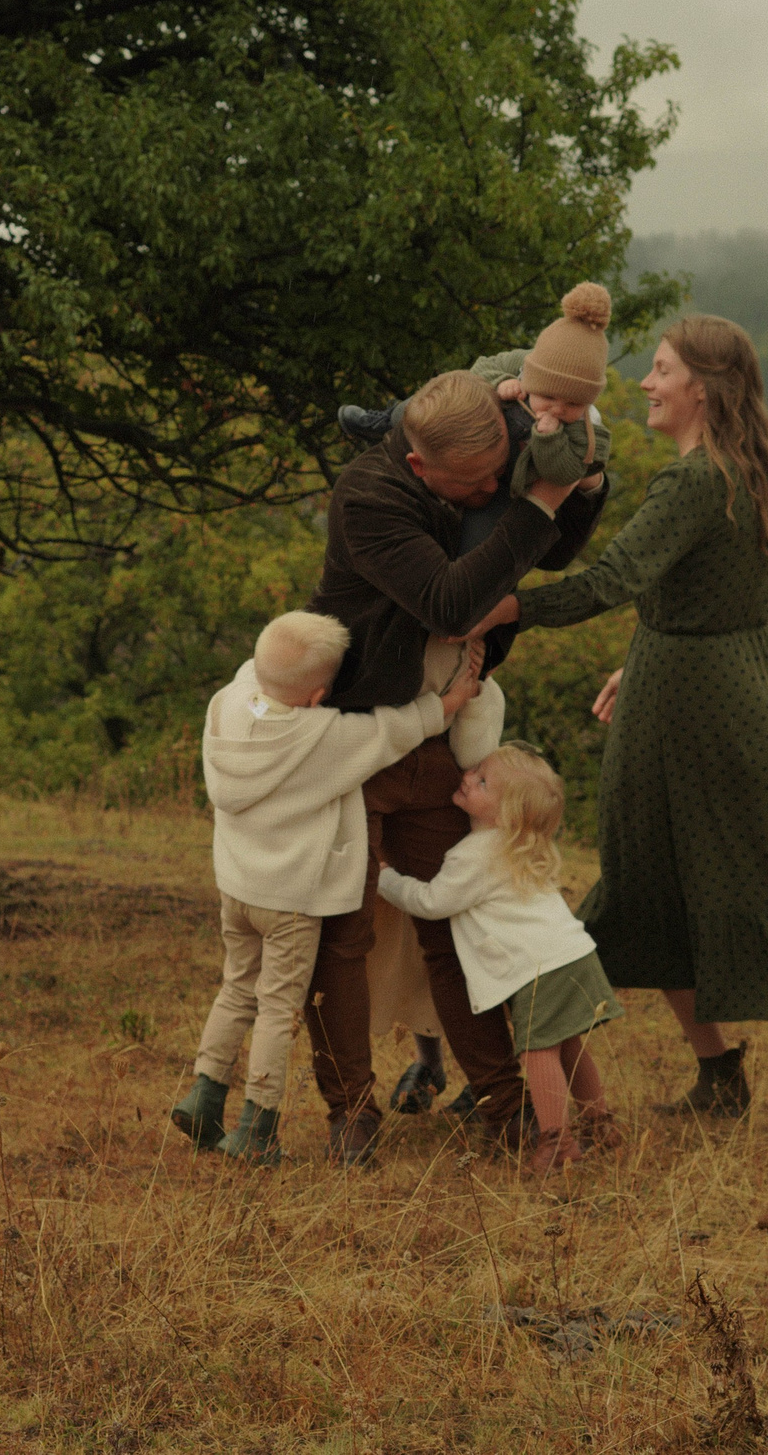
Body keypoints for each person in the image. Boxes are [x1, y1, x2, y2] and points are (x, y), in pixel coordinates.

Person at [460, 315, 768, 1138]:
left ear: (701, 390)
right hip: (737, 682)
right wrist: (643, 657)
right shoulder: (747, 470)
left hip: (684, 707)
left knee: (651, 877)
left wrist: (506, 605)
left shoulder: (689, 482)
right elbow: (708, 597)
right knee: (740, 872)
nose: (645, 382)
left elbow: (612, 578)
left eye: (662, 370)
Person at [305, 365, 608, 1164]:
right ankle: (350, 1113)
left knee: (450, 927)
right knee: (342, 933)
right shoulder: (368, 500)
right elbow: (450, 602)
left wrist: (578, 482)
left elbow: (545, 551)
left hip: (440, 740)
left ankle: (509, 1108)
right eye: (471, 486)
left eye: (493, 482)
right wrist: (535, 504)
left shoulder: (483, 450)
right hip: (359, 734)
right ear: (418, 466)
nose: (484, 497)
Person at [170, 612, 488, 1165]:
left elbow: (259, 671)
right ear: (320, 695)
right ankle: (257, 1127)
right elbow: (396, 729)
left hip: (238, 890)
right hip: (292, 902)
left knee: (237, 987)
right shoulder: (324, 736)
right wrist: (454, 698)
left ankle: (205, 1093)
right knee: (277, 1009)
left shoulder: (228, 703)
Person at [376, 745, 622, 1173]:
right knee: (568, 1046)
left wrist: (385, 878)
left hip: (540, 969)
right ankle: (598, 1123)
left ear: (505, 814)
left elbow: (433, 902)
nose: (468, 777)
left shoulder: (475, 854)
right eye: (477, 771)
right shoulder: (521, 847)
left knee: (537, 1051)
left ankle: (556, 1142)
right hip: (574, 957)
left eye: (483, 782)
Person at [339, 281, 614, 501]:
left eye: (573, 403)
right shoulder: (525, 365)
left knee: (477, 535)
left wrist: (550, 438)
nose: (558, 409)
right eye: (549, 397)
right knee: (431, 401)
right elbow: (480, 368)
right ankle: (382, 422)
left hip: (507, 485)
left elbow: (565, 473)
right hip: (473, 435)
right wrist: (500, 382)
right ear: (532, 374)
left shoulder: (589, 428)